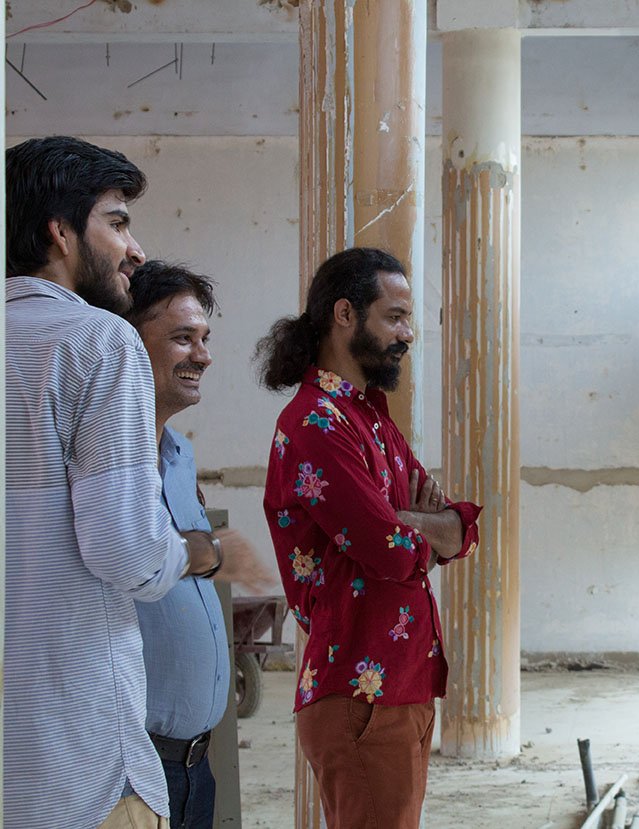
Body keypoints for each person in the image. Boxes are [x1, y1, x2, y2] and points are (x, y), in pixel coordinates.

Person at [4, 136, 259, 829]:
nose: (134, 249)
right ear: (60, 232)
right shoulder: (97, 339)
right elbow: (129, 554)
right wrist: (197, 552)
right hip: (83, 763)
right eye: (116, 222)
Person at [256, 247, 482, 828]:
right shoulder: (315, 422)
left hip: (399, 686)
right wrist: (410, 528)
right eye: (395, 317)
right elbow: (393, 553)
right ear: (345, 314)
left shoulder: (370, 417)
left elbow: (462, 528)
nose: (408, 334)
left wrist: (410, 522)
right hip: (360, 698)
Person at [126, 261, 269, 829]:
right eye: (183, 338)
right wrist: (209, 552)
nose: (203, 356)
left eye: (205, 339)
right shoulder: (101, 462)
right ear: (124, 342)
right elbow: (137, 555)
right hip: (134, 766)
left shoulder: (181, 459)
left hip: (194, 763)